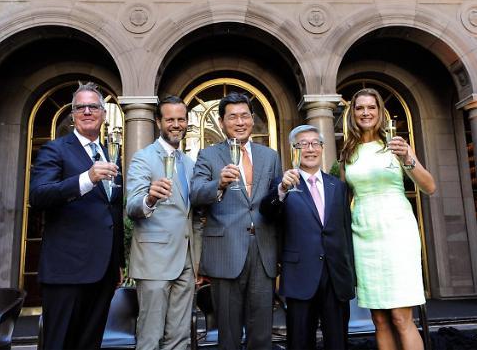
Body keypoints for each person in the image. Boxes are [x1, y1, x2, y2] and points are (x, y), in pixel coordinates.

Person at [29, 81, 125, 350]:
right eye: (79, 107)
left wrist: (117, 260)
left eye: (93, 106)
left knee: (89, 343)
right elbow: (38, 196)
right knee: (60, 343)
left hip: (103, 270)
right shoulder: (55, 149)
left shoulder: (110, 154)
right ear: (72, 115)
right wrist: (87, 178)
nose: (86, 111)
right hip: (67, 270)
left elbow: (112, 208)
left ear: (103, 114)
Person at [340, 88, 436, 350]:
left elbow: (429, 186)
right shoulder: (348, 151)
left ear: (380, 112)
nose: (366, 112)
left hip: (396, 232)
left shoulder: (396, 145)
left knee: (400, 316)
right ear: (353, 113)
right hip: (363, 234)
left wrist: (408, 158)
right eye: (360, 108)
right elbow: (340, 196)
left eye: (371, 107)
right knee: (379, 319)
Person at [190, 92, 281, 350]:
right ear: (221, 122)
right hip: (226, 251)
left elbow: (276, 203)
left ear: (252, 119)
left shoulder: (270, 156)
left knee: (262, 331)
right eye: (233, 117)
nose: (239, 122)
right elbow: (195, 195)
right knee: (227, 334)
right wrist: (217, 183)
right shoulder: (208, 156)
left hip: (263, 249)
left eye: (244, 116)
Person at [261, 124, 355, 350]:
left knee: (338, 342)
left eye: (315, 143)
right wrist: (282, 190)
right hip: (300, 275)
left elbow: (345, 231)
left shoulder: (338, 186)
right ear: (294, 149)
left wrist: (351, 273)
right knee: (300, 342)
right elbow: (267, 212)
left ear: (322, 148)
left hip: (335, 277)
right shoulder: (282, 184)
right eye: (303, 144)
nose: (310, 149)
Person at [125, 95, 200, 350]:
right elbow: (132, 207)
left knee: (180, 338)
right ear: (159, 121)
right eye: (170, 119)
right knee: (150, 337)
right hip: (154, 262)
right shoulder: (143, 158)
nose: (176, 124)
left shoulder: (190, 164)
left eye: (181, 119)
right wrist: (149, 198)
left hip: (187, 263)